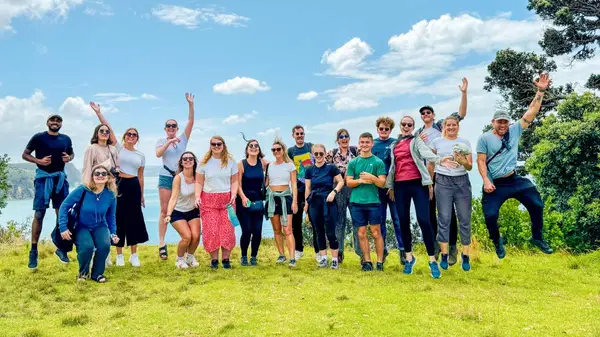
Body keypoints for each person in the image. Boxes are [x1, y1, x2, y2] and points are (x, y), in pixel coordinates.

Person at [476, 73, 554, 258]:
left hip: (514, 179)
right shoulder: (484, 138)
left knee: (536, 204)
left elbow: (531, 112)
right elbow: (480, 161)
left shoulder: (515, 130)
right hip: (495, 183)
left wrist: (540, 91)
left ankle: (537, 237)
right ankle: (497, 241)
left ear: (508, 122)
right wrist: (486, 181)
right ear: (493, 123)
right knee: (490, 215)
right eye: (499, 122)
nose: (502, 125)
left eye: (505, 122)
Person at [386, 116, 457, 279]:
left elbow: (426, 153)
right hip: (400, 186)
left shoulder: (416, 140)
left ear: (413, 126)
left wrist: (440, 160)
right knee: (403, 221)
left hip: (418, 184)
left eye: (409, 124)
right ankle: (409, 258)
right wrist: (390, 186)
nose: (406, 126)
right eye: (403, 124)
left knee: (424, 220)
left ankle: (432, 260)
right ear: (400, 125)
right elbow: (392, 166)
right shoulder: (394, 145)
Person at [416, 78, 468, 264]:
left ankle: (452, 248)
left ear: (433, 114)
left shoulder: (440, 125)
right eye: (423, 113)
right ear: (421, 117)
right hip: (427, 175)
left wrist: (463, 93)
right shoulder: (418, 133)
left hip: (445, 175)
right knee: (429, 212)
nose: (426, 114)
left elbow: (461, 113)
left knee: (448, 213)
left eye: (428, 112)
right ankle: (438, 245)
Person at [22, 114, 74, 269]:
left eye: (58, 121)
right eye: (53, 120)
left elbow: (71, 153)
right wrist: (38, 161)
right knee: (39, 215)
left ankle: (61, 248)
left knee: (62, 214)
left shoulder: (66, 139)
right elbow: (25, 154)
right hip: (43, 180)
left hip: (60, 180)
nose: (55, 123)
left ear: (61, 124)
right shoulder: (38, 137)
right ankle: (33, 251)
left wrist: (69, 158)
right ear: (47, 123)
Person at [58, 165, 119, 283]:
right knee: (87, 247)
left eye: (103, 174)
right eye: (97, 173)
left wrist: (113, 233)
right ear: (92, 176)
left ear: (108, 177)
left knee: (104, 246)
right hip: (81, 226)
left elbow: (111, 216)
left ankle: (97, 274)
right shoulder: (82, 190)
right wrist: (63, 227)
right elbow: (64, 206)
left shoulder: (110, 195)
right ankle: (83, 274)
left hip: (100, 225)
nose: (100, 176)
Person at [428, 116, 473, 271]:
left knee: (465, 219)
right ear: (443, 127)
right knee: (444, 218)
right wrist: (430, 183)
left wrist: (462, 161)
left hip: (462, 181)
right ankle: (445, 255)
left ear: (458, 126)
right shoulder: (436, 143)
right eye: (448, 125)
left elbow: (470, 166)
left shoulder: (465, 142)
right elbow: (431, 164)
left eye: (454, 125)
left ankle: (465, 255)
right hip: (442, 181)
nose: (451, 127)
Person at [156, 93, 195, 261]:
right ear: (165, 129)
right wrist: (168, 142)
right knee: (165, 210)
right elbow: (158, 154)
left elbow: (191, 122)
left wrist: (190, 104)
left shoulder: (183, 139)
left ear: (177, 128)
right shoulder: (160, 140)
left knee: (188, 204)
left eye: (174, 126)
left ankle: (188, 237)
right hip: (166, 176)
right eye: (168, 126)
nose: (171, 128)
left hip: (183, 176)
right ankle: (162, 243)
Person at [195, 136, 239, 269]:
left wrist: (234, 194)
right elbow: (199, 182)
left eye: (218, 144)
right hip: (208, 199)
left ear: (223, 145)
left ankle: (226, 259)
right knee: (211, 229)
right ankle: (214, 260)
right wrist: (197, 196)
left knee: (227, 229)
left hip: (227, 200)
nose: (216, 146)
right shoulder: (204, 163)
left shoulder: (231, 162)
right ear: (210, 146)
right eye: (213, 144)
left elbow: (235, 181)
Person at [346, 132, 387, 272]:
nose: (364, 145)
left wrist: (372, 178)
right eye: (362, 142)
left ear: (372, 144)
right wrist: (360, 180)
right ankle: (367, 262)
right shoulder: (353, 162)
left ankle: (380, 262)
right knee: (361, 233)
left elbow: (382, 183)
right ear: (359, 143)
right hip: (356, 202)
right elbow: (348, 182)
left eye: (367, 142)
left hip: (373, 201)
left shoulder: (378, 162)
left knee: (376, 233)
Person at [305, 144, 344, 269]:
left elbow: (341, 181)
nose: (318, 156)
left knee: (331, 231)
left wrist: (334, 192)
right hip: (314, 202)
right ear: (313, 155)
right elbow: (308, 188)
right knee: (318, 231)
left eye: (321, 153)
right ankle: (323, 258)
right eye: (316, 154)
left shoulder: (331, 168)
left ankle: (334, 259)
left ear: (325, 153)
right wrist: (306, 205)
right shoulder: (309, 170)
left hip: (329, 201)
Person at [372, 117, 405, 264]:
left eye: (386, 129)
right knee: (380, 221)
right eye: (381, 128)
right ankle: (382, 250)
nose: (384, 131)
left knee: (398, 220)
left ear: (390, 130)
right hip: (377, 189)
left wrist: (392, 185)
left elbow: (398, 165)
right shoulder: (372, 144)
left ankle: (403, 251)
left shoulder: (395, 143)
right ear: (377, 129)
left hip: (394, 188)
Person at [325, 128, 358, 264]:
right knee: (339, 221)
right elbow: (326, 171)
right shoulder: (331, 154)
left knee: (357, 220)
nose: (344, 138)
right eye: (341, 137)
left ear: (349, 138)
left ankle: (361, 253)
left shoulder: (356, 151)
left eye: (346, 136)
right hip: (338, 189)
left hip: (354, 188)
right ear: (337, 140)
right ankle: (339, 252)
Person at [265, 138, 299, 268]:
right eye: (273, 149)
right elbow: (266, 183)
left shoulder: (289, 165)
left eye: (278, 149)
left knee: (288, 229)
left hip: (286, 197)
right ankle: (281, 254)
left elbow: (294, 184)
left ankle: (292, 258)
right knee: (276, 229)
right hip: (272, 198)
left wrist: (294, 201)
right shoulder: (269, 166)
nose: (276, 151)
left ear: (283, 150)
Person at [165, 152, 201, 269]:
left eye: (191, 158)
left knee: (196, 236)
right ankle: (179, 259)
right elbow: (173, 197)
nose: (188, 160)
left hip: (192, 211)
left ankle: (190, 257)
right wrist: (168, 214)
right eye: (185, 159)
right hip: (177, 212)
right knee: (187, 237)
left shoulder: (198, 176)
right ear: (181, 162)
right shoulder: (178, 178)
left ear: (194, 161)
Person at [236, 136, 269, 266]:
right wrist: (243, 197)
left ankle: (254, 256)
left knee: (257, 231)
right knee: (247, 230)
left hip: (258, 202)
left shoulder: (263, 164)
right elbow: (237, 184)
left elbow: (266, 180)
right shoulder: (241, 164)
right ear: (247, 149)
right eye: (251, 146)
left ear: (259, 149)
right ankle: (244, 256)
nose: (254, 148)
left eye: (256, 146)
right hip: (244, 201)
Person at [287, 124, 316, 260]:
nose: (300, 136)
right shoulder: (290, 151)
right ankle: (299, 249)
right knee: (296, 221)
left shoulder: (311, 146)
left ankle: (318, 251)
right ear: (293, 135)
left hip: (313, 189)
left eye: (301, 133)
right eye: (297, 133)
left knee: (315, 220)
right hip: (297, 190)